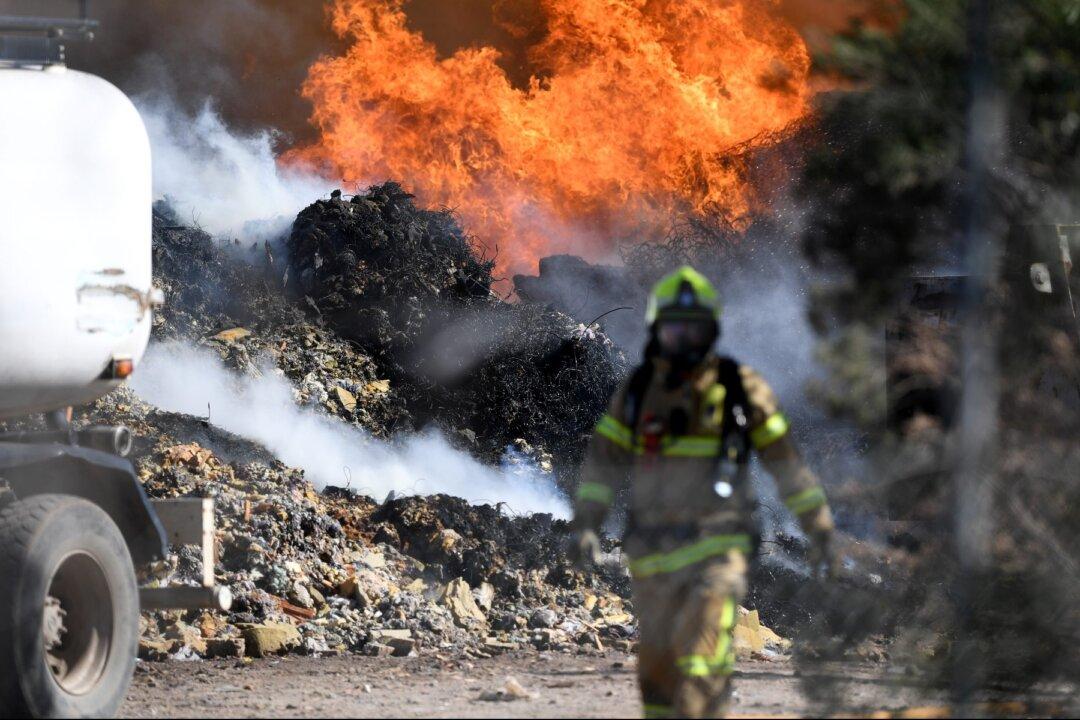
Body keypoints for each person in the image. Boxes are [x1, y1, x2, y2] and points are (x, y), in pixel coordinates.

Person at [568, 265, 836, 718]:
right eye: (675, 329)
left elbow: (786, 463)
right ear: (659, 332)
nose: (685, 340)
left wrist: (819, 526)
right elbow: (603, 465)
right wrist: (587, 524)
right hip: (653, 551)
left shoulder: (739, 388)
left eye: (694, 329)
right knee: (657, 669)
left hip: (717, 546)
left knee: (702, 658)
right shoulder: (638, 392)